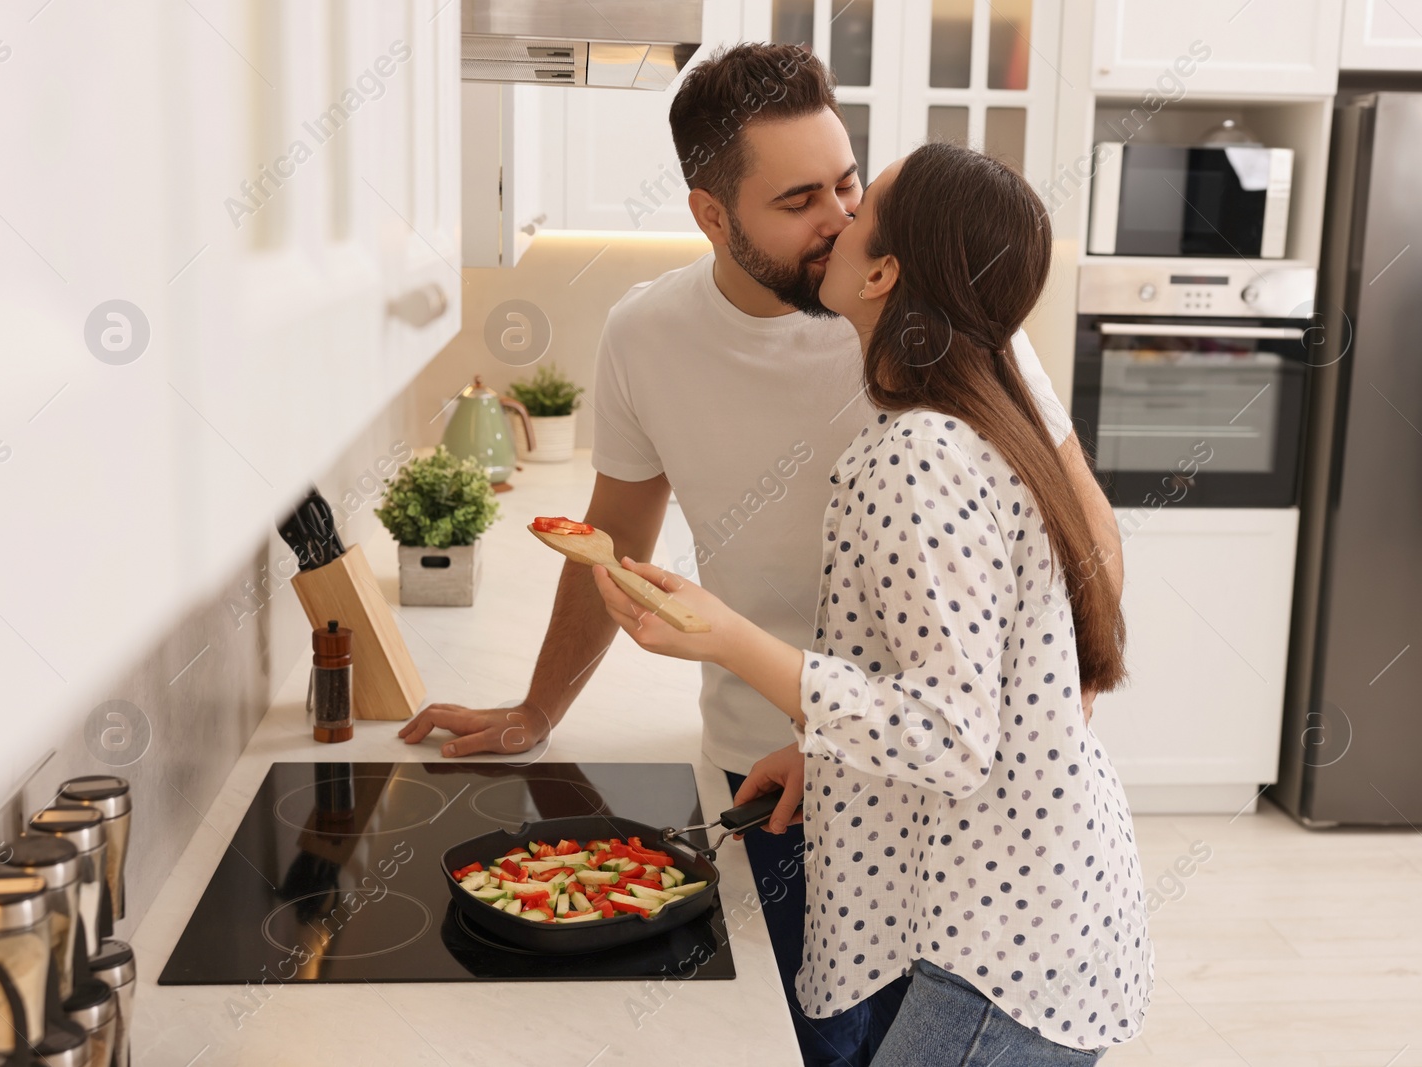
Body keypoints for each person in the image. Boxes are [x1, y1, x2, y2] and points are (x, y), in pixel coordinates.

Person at [398, 43, 1125, 1066]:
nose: (834, 214)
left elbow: (1083, 532)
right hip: (781, 770)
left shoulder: (932, 319)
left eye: (848, 185)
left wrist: (1037, 719)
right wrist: (538, 710)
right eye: (798, 199)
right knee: (819, 1042)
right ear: (710, 215)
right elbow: (612, 538)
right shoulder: (645, 336)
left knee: (954, 1024)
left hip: (952, 804)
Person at [589, 140, 1153, 1063]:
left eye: (859, 204)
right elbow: (966, 685)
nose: (837, 222)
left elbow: (953, 732)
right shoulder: (976, 415)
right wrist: (825, 748)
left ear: (884, 271)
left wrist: (727, 637)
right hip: (1042, 919)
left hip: (1001, 953)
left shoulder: (915, 456)